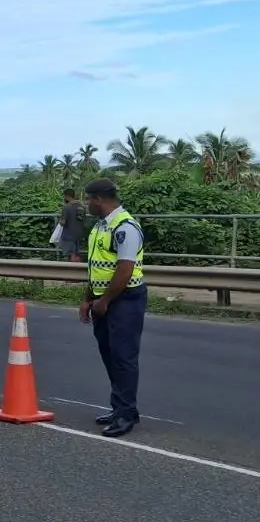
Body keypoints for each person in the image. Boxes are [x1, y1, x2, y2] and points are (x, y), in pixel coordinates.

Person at [79, 178, 146, 437]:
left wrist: (104, 301)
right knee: (110, 355)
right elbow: (98, 268)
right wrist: (88, 298)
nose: (87, 204)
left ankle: (126, 414)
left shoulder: (125, 227)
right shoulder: (100, 227)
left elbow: (124, 270)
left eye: (89, 199)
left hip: (125, 299)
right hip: (102, 298)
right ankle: (121, 407)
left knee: (123, 357)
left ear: (99, 199)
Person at [56, 187, 86, 263]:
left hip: (69, 235)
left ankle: (71, 271)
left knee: (70, 255)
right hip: (79, 234)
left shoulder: (67, 207)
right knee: (76, 254)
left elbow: (63, 222)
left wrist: (60, 220)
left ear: (66, 196)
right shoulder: (82, 206)